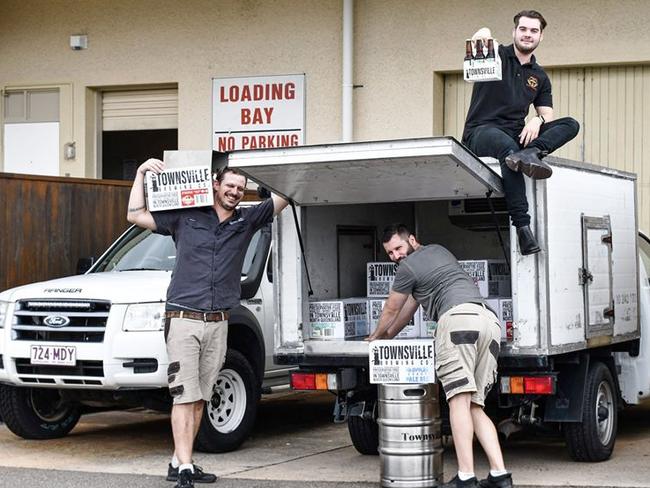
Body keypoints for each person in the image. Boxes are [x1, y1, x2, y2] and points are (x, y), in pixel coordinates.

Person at [127, 158, 289, 488]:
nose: (234, 192)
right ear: (215, 184)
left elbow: (283, 197)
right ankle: (186, 466)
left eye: (240, 189)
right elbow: (134, 214)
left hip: (218, 322)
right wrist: (142, 172)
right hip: (183, 318)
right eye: (229, 185)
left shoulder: (246, 220)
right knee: (184, 395)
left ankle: (179, 461)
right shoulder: (185, 216)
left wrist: (269, 173)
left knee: (201, 396)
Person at [368, 224, 512, 488]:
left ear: (412, 239)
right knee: (474, 405)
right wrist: (388, 337)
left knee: (458, 401)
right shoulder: (439, 253)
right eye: (390, 253)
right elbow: (409, 310)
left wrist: (376, 335)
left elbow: (392, 307)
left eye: (398, 248)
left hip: (457, 323)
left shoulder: (407, 268)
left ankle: (466, 477)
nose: (396, 256)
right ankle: (499, 474)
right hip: (488, 323)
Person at [462, 10, 580, 255]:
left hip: (517, 133)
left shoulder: (539, 76)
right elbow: (480, 36)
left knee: (570, 124)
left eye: (534, 31)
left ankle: (531, 154)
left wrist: (537, 120)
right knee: (509, 150)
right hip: (481, 132)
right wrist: (484, 31)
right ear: (514, 31)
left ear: (541, 36)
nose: (528, 35)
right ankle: (523, 228)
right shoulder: (497, 55)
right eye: (523, 29)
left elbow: (547, 113)